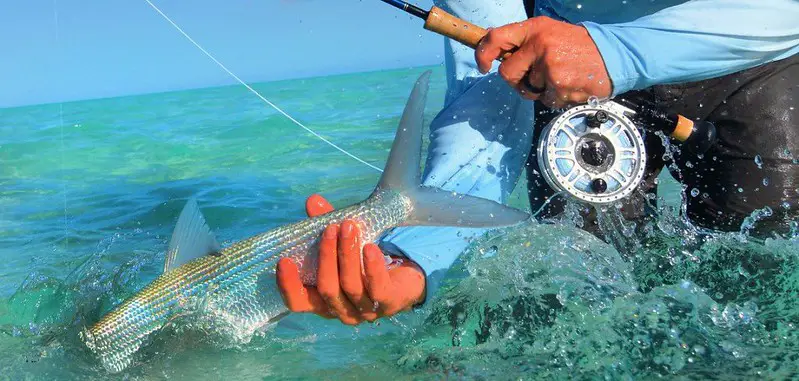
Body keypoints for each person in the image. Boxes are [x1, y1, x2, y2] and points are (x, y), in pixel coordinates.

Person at [276, 0, 799, 326]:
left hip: (756, 59)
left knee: (762, 270)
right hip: (561, 58)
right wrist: (414, 258)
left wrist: (618, 53)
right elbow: (486, 109)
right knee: (592, 292)